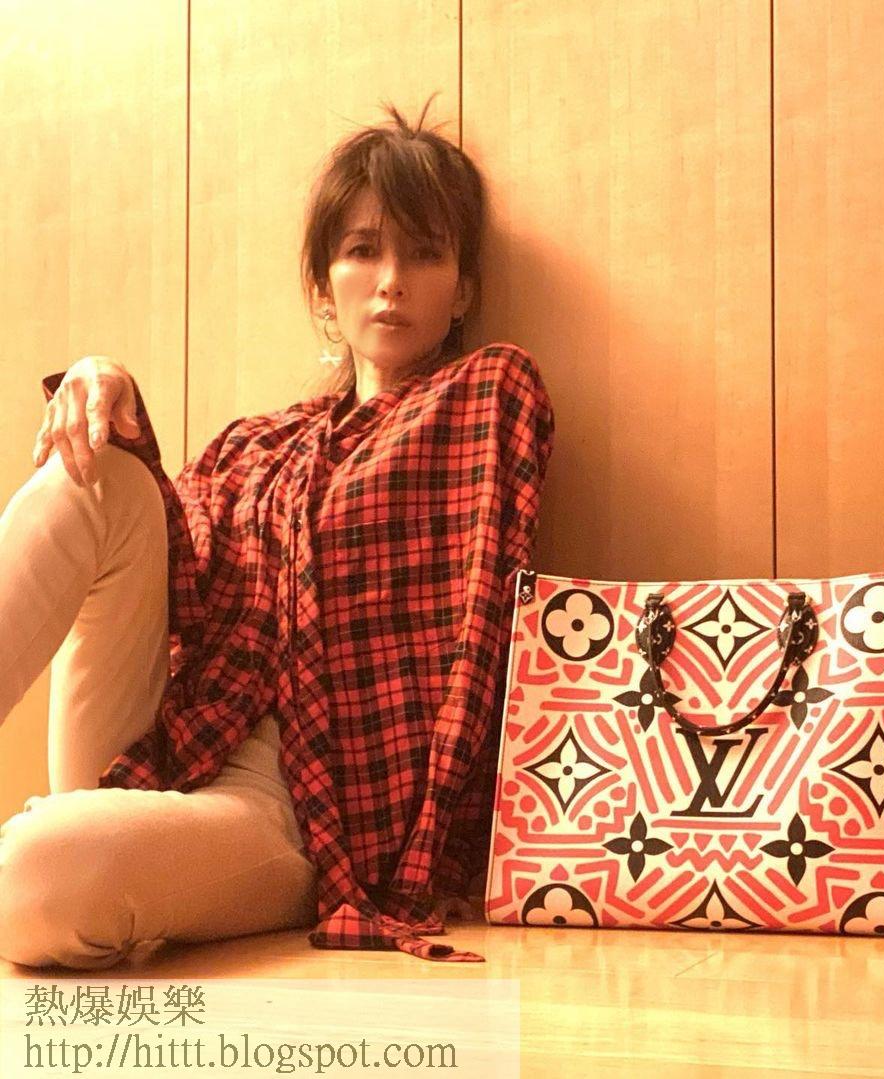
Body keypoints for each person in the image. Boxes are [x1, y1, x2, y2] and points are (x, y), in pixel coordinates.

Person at [0, 94, 555, 968]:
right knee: (100, 469)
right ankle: (95, 833)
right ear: (324, 286)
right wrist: (107, 380)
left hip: (296, 812)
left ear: (464, 291)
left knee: (30, 875)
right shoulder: (254, 445)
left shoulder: (485, 397)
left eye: (424, 252)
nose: (391, 280)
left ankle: (84, 847)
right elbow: (171, 582)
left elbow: (482, 618)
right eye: (363, 250)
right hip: (170, 741)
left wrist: (428, 851)